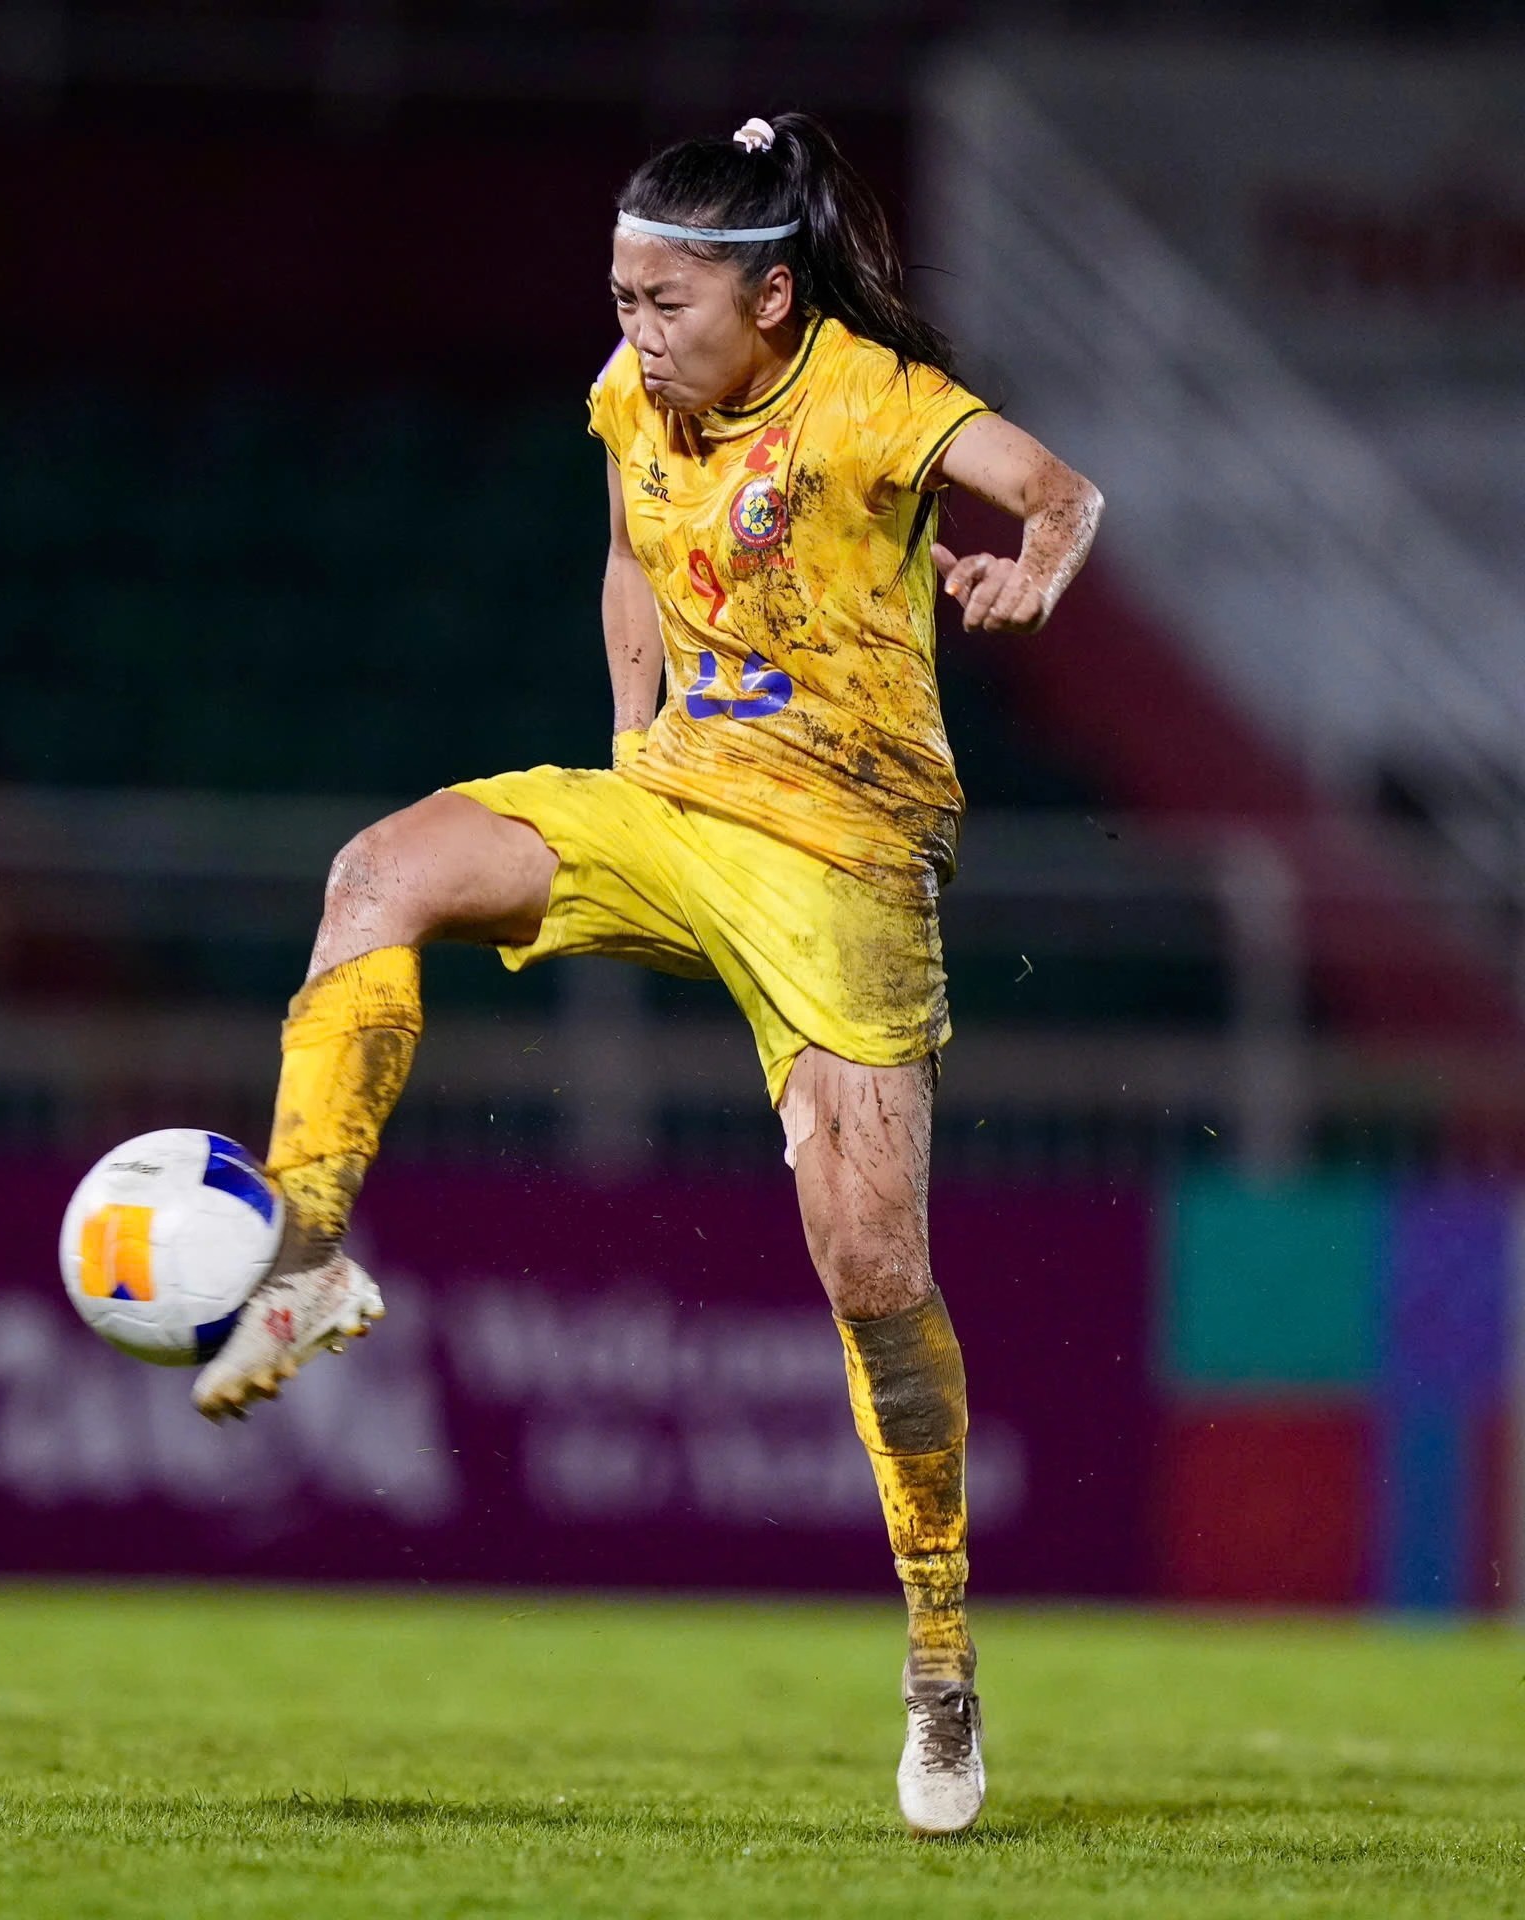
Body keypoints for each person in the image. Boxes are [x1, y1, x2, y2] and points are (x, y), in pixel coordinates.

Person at [191, 114, 1102, 1838]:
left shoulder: (870, 400)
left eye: (663, 302)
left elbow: (1062, 492)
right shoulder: (633, 396)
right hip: (678, 804)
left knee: (872, 1274)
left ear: (769, 299)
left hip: (845, 860)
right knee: (378, 874)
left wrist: (1031, 572)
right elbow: (629, 554)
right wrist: (632, 752)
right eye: (619, 298)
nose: (634, 332)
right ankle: (305, 1253)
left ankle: (939, 1659)